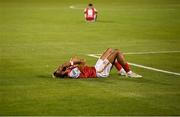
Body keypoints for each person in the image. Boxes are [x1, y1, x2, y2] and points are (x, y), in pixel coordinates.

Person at [53, 48, 142, 78]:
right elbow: (83, 61)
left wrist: (72, 62)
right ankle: (129, 73)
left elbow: (77, 59)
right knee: (116, 52)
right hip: (100, 72)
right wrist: (71, 62)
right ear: (61, 73)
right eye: (58, 69)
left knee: (110, 50)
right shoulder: (71, 73)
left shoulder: (68, 70)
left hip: (95, 68)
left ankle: (121, 71)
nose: (59, 67)